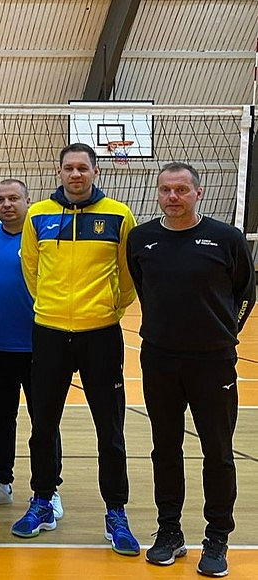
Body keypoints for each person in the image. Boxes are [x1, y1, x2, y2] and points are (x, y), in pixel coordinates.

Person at [12, 142, 139, 556]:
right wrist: (50, 307)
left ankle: (116, 512)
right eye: (69, 168)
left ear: (96, 171)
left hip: (101, 334)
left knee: (110, 429)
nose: (76, 174)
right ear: (60, 171)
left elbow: (128, 274)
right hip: (49, 333)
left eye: (83, 168)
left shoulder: (119, 215)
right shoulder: (38, 215)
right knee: (43, 425)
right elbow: (31, 270)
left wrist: (109, 308)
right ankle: (42, 501)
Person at [128, 162, 254, 576]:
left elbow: (246, 293)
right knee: (165, 448)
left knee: (217, 451)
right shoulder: (142, 239)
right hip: (159, 359)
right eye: (166, 190)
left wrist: (225, 333)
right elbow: (142, 286)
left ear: (198, 193)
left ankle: (217, 538)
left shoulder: (226, 238)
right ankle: (170, 531)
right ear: (158, 193)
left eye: (181, 190)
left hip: (212, 361)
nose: (173, 197)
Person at [0, 180, 63, 514]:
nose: (6, 204)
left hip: (40, 346)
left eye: (13, 198)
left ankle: (49, 489)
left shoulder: (44, 238)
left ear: (28, 200)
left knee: (44, 421)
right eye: (0, 199)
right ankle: (1, 482)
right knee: (1, 418)